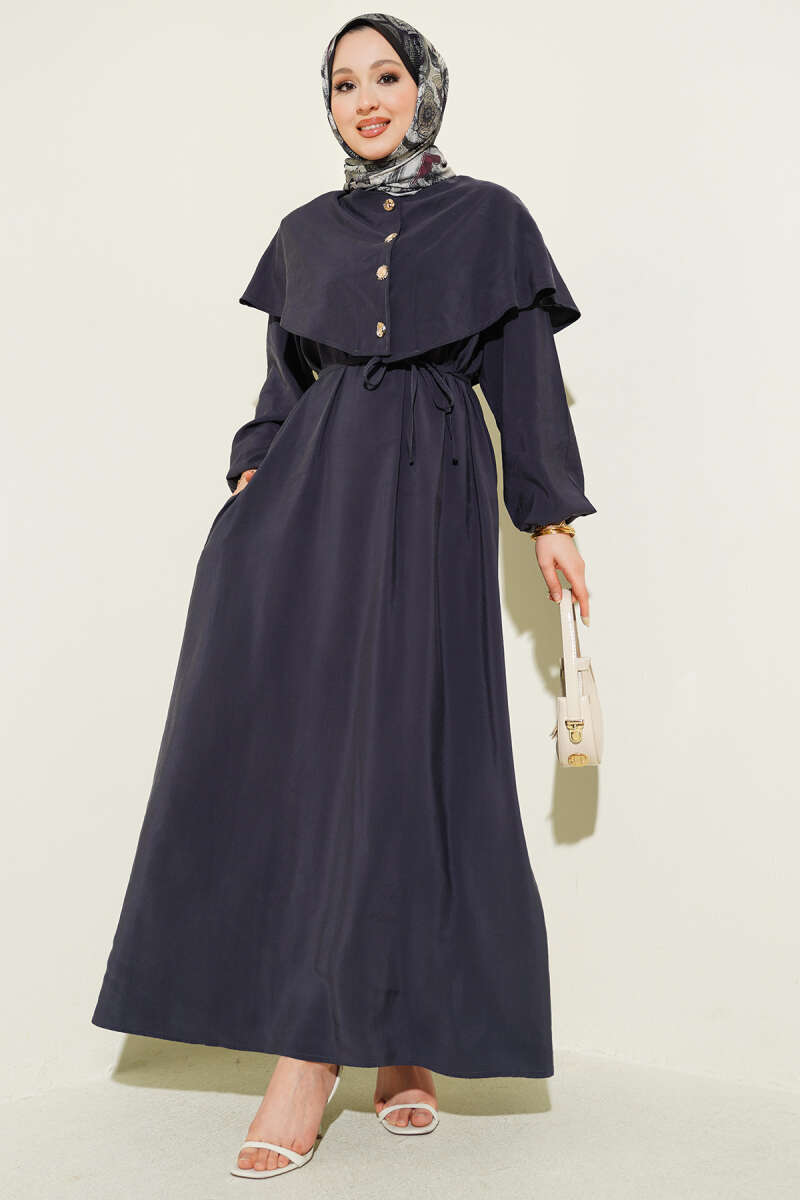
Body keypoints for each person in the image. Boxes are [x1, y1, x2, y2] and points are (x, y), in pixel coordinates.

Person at [91, 10, 597, 1182]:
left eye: (385, 76)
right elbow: (281, 386)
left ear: (424, 89)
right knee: (311, 759)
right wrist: (251, 480)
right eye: (341, 84)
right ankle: (313, 1048)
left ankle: (400, 1040)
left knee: (410, 752)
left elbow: (523, 378)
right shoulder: (303, 233)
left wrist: (551, 519)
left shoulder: (490, 219)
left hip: (431, 492)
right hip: (308, 504)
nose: (364, 100)